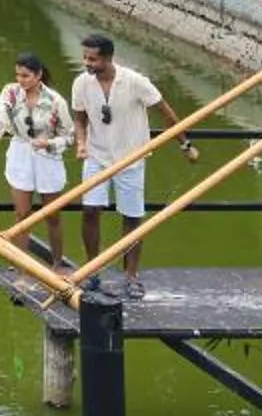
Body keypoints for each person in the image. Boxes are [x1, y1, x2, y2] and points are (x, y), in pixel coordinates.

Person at [72, 33, 194, 290]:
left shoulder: (135, 81)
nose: (87, 63)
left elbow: (166, 113)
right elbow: (80, 118)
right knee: (90, 211)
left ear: (108, 58)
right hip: (96, 155)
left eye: (92, 59)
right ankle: (92, 271)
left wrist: (185, 145)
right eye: (85, 58)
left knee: (131, 217)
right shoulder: (82, 83)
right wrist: (81, 143)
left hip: (131, 158)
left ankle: (130, 276)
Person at [0, 50, 74, 264]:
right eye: (18, 75)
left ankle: (57, 264)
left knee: (53, 215)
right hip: (20, 154)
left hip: (47, 157)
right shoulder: (10, 92)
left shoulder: (55, 100)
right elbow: (0, 118)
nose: (20, 80)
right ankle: (22, 268)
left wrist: (49, 143)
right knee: (22, 215)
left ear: (38, 75)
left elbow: (70, 136)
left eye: (25, 75)